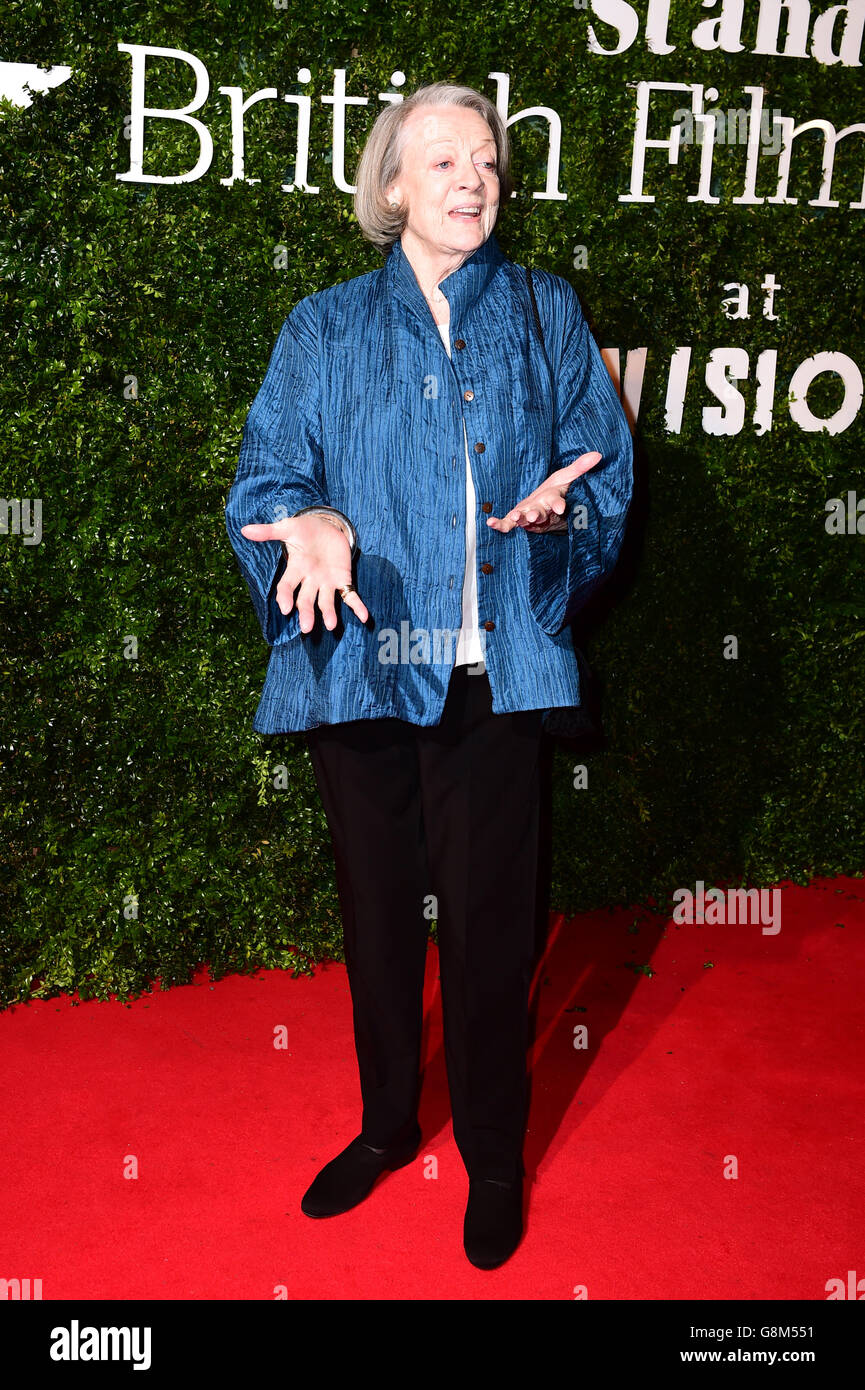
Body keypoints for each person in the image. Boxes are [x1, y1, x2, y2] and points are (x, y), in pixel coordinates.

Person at [224, 81, 633, 1270]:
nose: (472, 179)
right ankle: (389, 1125)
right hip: (361, 661)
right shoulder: (323, 327)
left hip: (492, 672)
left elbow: (600, 480)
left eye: (490, 163)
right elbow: (263, 478)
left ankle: (496, 1155)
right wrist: (302, 522)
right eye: (443, 160)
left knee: (494, 927)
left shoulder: (549, 313)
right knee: (380, 916)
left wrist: (561, 521)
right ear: (391, 186)